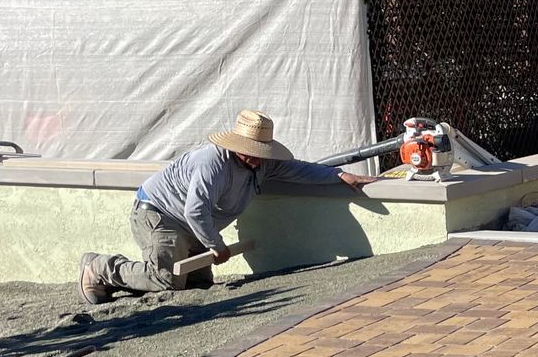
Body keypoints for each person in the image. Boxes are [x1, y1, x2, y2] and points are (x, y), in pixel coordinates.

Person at [79, 110, 375, 303]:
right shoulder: (212, 163)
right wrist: (216, 245)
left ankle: (126, 279)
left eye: (261, 152)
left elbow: (298, 170)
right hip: (161, 215)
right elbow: (195, 209)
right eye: (251, 153)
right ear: (236, 146)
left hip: (194, 226)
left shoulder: (261, 164)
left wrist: (338, 176)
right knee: (166, 279)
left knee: (196, 285)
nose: (257, 159)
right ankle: (99, 268)